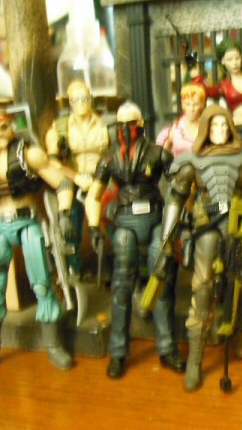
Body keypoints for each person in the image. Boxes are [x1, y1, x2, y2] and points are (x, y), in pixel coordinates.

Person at [163, 105, 242, 392]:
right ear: (205, 129)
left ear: (230, 127)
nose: (219, 131)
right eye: (214, 126)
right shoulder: (192, 160)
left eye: (223, 125)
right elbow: (175, 198)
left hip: (241, 226)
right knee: (202, 289)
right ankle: (195, 361)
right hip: (207, 228)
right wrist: (167, 236)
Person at [0, 109, 75, 371]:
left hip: (28, 224)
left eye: (3, 127)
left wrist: (64, 215)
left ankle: (53, 346)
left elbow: (63, 184)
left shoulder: (29, 155)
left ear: (12, 126)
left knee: (43, 285)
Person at [84, 102, 182, 378]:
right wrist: (94, 226)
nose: (126, 129)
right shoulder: (109, 158)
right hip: (125, 220)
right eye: (121, 124)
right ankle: (118, 352)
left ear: (140, 123)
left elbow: (180, 184)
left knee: (161, 282)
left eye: (131, 123)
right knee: (122, 287)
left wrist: (181, 219)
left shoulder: (158, 153)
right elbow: (94, 194)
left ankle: (167, 348)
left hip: (156, 218)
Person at [45, 80, 109, 273]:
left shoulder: (105, 124)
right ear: (70, 102)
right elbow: (53, 162)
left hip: (103, 178)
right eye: (76, 99)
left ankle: (112, 263)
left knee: (114, 214)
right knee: (70, 220)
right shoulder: (60, 128)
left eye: (84, 98)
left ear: (90, 99)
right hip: (75, 180)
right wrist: (76, 177)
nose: (81, 103)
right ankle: (75, 268)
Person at [193, 38, 242, 131]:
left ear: (241, 58)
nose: (234, 63)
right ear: (223, 61)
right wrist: (197, 75)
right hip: (238, 130)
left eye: (237, 58)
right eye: (229, 59)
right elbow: (202, 90)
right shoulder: (223, 86)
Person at [156, 83, 206, 157]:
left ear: (202, 105)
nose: (191, 109)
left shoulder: (207, 127)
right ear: (183, 105)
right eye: (188, 104)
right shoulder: (174, 129)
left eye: (196, 104)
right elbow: (158, 154)